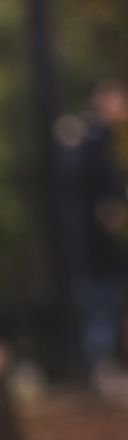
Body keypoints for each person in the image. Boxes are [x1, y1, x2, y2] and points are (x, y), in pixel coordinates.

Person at [58, 78, 128, 401]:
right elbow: (87, 186)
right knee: (100, 307)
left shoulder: (115, 141)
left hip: (114, 249)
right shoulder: (91, 139)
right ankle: (100, 370)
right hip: (96, 249)